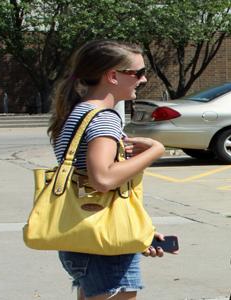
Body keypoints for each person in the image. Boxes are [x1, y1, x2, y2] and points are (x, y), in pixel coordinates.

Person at [47, 40, 172, 300]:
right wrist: (155, 150)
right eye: (137, 73)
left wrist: (139, 232)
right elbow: (103, 179)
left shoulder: (77, 112)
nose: (143, 79)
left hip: (85, 235)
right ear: (112, 76)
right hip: (102, 247)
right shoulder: (103, 117)